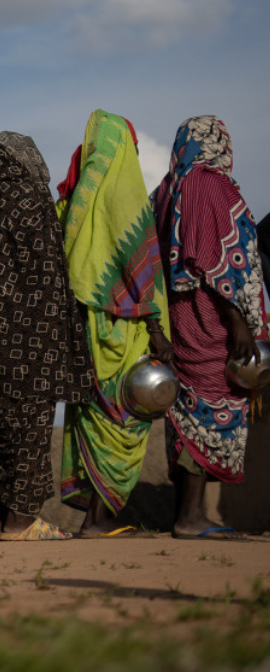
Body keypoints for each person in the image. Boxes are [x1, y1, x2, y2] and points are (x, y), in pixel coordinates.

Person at [0, 132, 91, 542]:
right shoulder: (30, 197)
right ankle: (22, 522)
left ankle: (2, 521)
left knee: (6, 425)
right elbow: (46, 267)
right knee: (33, 425)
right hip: (34, 334)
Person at [57, 109, 171, 537]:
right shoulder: (124, 189)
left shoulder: (74, 199)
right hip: (126, 329)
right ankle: (97, 521)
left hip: (86, 330)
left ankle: (95, 515)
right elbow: (138, 264)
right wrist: (157, 329)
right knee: (126, 416)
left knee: (93, 417)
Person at [152, 116, 264, 540]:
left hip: (182, 321)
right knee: (208, 411)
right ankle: (191, 517)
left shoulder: (167, 188)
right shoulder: (204, 183)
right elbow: (206, 257)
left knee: (187, 412)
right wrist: (237, 320)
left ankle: (186, 512)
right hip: (211, 320)